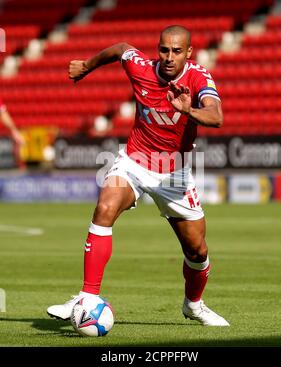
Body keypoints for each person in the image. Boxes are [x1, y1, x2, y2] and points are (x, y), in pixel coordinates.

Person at [47, 25, 229, 326]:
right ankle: (87, 297)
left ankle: (194, 305)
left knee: (197, 250)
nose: (169, 57)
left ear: (189, 52)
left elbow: (217, 116)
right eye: (164, 50)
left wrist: (188, 110)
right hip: (135, 160)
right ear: (157, 49)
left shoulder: (198, 77)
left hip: (175, 174)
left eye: (177, 51)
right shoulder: (141, 66)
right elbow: (121, 47)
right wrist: (86, 67)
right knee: (105, 207)